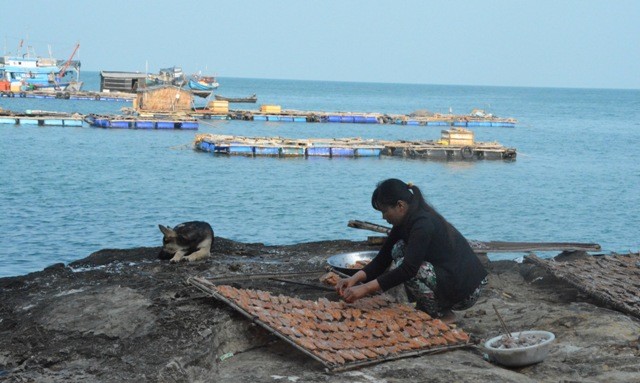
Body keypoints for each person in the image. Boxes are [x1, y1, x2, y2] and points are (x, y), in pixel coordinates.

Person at [336, 178, 488, 323]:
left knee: (412, 269)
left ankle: (443, 313)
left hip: (466, 290)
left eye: (384, 211)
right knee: (397, 249)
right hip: (448, 277)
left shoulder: (423, 223)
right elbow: (383, 258)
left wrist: (365, 288)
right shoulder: (404, 221)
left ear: (400, 205)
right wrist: (354, 279)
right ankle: (431, 306)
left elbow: (408, 269)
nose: (383, 217)